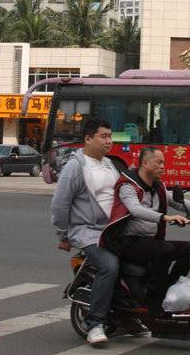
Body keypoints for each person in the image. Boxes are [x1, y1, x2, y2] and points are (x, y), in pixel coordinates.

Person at [101, 147, 190, 312]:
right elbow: (135, 209)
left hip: (148, 241)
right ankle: (154, 297)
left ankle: (167, 287)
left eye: (163, 163)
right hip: (126, 242)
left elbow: (178, 201)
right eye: (159, 162)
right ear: (145, 163)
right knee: (165, 250)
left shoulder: (157, 185)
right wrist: (164, 217)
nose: (163, 167)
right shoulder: (128, 185)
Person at [51, 118, 121, 345]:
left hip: (113, 230)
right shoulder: (75, 166)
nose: (108, 141)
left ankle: (132, 317)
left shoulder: (109, 164)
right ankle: (95, 324)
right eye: (103, 136)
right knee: (108, 267)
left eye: (110, 136)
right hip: (88, 231)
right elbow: (60, 204)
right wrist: (63, 235)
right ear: (88, 139)